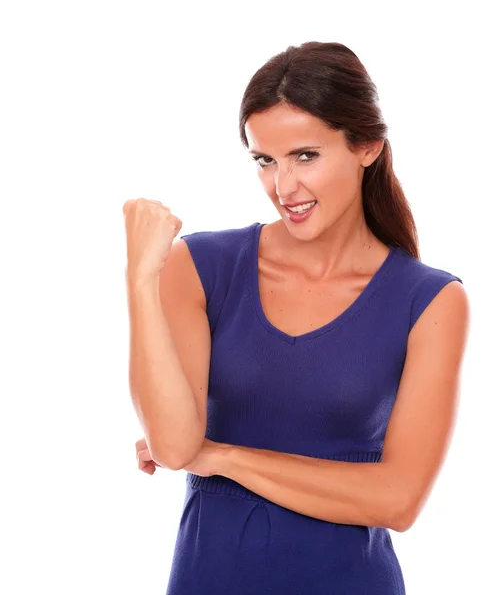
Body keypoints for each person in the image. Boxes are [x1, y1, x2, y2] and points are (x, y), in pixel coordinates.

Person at [124, 41, 470, 594]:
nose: (283, 188)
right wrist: (140, 279)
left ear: (368, 147)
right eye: (265, 160)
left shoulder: (429, 300)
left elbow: (398, 501)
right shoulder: (202, 266)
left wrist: (221, 456)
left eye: (305, 156)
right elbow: (171, 446)